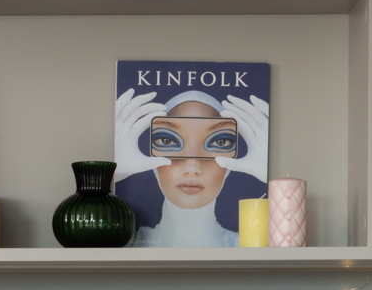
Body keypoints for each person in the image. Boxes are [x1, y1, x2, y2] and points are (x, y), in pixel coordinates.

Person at [115, 87, 269, 246]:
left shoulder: (251, 248)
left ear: (229, 166)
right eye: (167, 140)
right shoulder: (125, 245)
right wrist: (111, 176)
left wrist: (272, 176)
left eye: (220, 142)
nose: (192, 168)